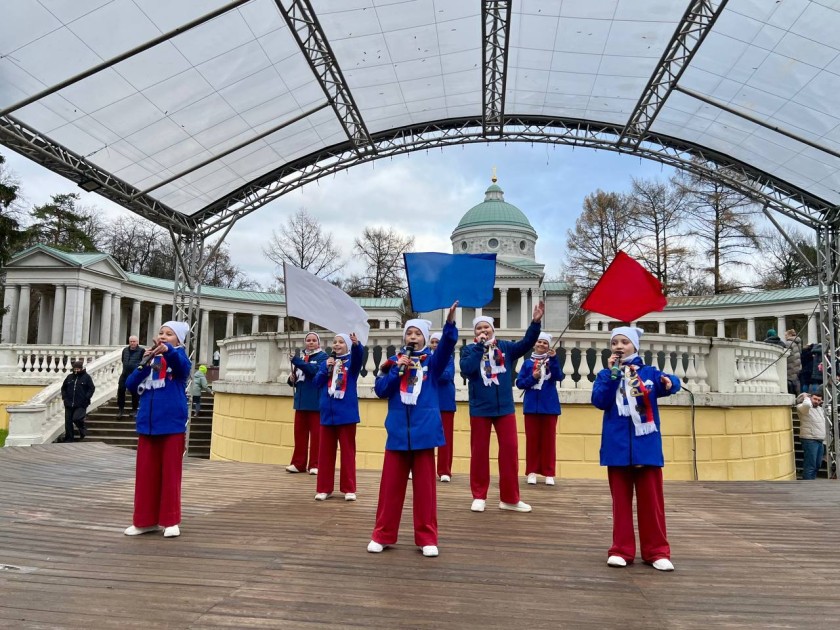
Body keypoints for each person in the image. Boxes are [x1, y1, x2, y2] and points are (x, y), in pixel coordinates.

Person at [368, 304, 458, 558]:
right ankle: (382, 535)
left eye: (417, 334)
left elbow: (448, 346)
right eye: (409, 334)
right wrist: (398, 371)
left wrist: (450, 324)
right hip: (397, 433)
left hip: (424, 433)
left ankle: (427, 537)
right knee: (390, 490)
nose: (413, 338)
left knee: (426, 491)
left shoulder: (433, 362)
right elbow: (381, 390)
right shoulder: (391, 363)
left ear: (425, 338)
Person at [592, 326, 681, 571]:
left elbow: (674, 384)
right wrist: (612, 374)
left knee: (651, 503)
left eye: (624, 342)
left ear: (634, 346)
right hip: (617, 448)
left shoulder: (649, 372)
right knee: (620, 503)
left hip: (647, 448)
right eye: (615, 343)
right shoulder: (604, 374)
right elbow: (599, 401)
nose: (619, 346)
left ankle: (657, 552)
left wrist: (670, 381)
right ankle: (621, 550)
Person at [459, 301, 544, 513]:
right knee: (479, 452)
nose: (483, 330)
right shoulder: (469, 350)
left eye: (486, 327)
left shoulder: (505, 347)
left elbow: (526, 343)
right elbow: (468, 370)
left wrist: (535, 323)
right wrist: (479, 347)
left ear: (493, 329)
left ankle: (510, 498)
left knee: (510, 450)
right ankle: (479, 495)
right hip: (480, 408)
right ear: (474, 333)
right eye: (479, 328)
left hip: (504, 408)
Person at [123, 321, 191, 538]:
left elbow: (182, 368)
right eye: (161, 333)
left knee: (170, 474)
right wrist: (145, 361)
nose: (163, 336)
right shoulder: (152, 360)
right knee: (145, 475)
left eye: (169, 334)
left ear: (178, 340)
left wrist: (169, 351)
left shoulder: (179, 358)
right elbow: (131, 385)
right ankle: (144, 521)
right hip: (148, 425)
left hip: (171, 424)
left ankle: (170, 520)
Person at [312, 332, 363, 501]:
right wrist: (325, 368)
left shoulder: (351, 363)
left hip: (346, 415)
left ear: (347, 345)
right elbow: (317, 383)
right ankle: (324, 488)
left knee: (348, 453)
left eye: (341, 342)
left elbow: (358, 357)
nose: (336, 345)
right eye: (334, 342)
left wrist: (356, 346)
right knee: (325, 453)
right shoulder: (327, 362)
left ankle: (349, 488)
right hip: (327, 414)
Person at [515, 332, 561, 486]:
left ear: (549, 346)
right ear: (534, 344)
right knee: (532, 440)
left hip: (549, 407)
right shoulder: (527, 363)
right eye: (539, 342)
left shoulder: (551, 361)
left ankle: (549, 472)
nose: (542, 345)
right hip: (531, 408)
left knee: (549, 441)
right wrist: (532, 378)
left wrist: (553, 360)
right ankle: (532, 471)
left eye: (545, 343)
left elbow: (558, 376)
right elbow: (520, 383)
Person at [286, 332, 329, 474]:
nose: (311, 342)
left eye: (313, 340)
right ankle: (298, 463)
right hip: (300, 401)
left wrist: (297, 361)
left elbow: (313, 372)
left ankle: (315, 464)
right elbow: (298, 378)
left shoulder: (323, 357)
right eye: (308, 340)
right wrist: (291, 379)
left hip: (315, 403)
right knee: (299, 434)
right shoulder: (303, 357)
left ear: (319, 343)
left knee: (316, 436)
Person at [430, 330, 457, 483]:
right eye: (432, 342)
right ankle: (422, 468)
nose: (435, 345)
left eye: (437, 342)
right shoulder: (425, 358)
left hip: (445, 402)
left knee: (446, 437)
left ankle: (444, 470)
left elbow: (447, 376)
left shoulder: (449, 358)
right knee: (426, 436)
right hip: (429, 403)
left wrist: (430, 372)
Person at [60, 360, 95, 442]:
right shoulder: (69, 377)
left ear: (81, 368)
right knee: (68, 422)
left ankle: (82, 429)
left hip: (81, 403)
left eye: (78, 369)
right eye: (75, 369)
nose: (76, 370)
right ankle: (69, 438)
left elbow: (91, 388)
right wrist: (64, 397)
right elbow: (63, 388)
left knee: (76, 418)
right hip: (69, 403)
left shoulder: (86, 377)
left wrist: (87, 397)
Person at [796, 389, 826, 480]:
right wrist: (805, 397)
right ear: (810, 398)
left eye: (819, 400)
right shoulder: (803, 407)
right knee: (810, 466)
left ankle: (812, 483)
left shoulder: (820, 409)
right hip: (809, 439)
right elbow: (807, 404)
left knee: (817, 465)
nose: (816, 401)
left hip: (819, 440)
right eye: (815, 399)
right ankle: (807, 487)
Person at [117, 336, 144, 418]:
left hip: (134, 375)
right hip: (124, 374)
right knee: (121, 390)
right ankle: (121, 410)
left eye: (134, 341)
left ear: (137, 342)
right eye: (131, 341)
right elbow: (123, 360)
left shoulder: (142, 351)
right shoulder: (125, 350)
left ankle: (134, 409)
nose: (132, 343)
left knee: (134, 392)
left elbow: (143, 362)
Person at [783, 329, 802, 396]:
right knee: (796, 382)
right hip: (796, 365)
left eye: (786, 335)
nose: (785, 337)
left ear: (790, 335)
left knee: (790, 384)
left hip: (790, 366)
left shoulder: (788, 343)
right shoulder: (797, 343)